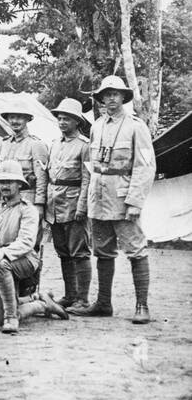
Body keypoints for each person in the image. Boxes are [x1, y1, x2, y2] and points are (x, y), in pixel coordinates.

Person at [69, 76, 156, 324]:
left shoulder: (136, 126)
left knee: (136, 251)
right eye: (106, 95)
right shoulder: (96, 126)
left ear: (123, 97)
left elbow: (145, 167)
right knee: (103, 252)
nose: (111, 99)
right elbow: (93, 166)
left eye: (116, 94)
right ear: (101, 99)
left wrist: (135, 201)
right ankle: (104, 303)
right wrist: (87, 201)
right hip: (99, 197)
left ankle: (142, 305)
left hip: (123, 197)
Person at [0, 161, 42, 334]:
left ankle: (11, 318)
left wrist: (2, 253)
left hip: (25, 260)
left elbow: (26, 242)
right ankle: (39, 303)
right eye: (1, 182)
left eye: (10, 182)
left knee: (0, 265)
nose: (4, 186)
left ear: (19, 185)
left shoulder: (27, 210)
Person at [43, 97, 92, 312]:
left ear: (77, 122)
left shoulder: (84, 146)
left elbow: (87, 179)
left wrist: (82, 207)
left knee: (79, 252)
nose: (62, 122)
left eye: (67, 119)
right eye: (60, 118)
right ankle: (70, 295)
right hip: (54, 205)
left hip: (74, 205)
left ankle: (83, 298)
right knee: (63, 252)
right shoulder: (53, 145)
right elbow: (49, 176)